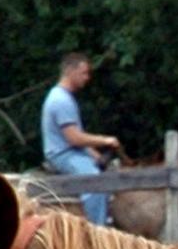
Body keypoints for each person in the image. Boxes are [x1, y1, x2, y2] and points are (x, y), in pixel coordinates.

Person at [40, 51, 122, 228]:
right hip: (62, 154)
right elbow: (74, 138)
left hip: (73, 151)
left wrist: (97, 157)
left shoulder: (64, 98)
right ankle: (96, 230)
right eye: (84, 73)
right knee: (94, 183)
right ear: (70, 71)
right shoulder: (60, 100)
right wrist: (105, 141)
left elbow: (79, 140)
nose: (87, 78)